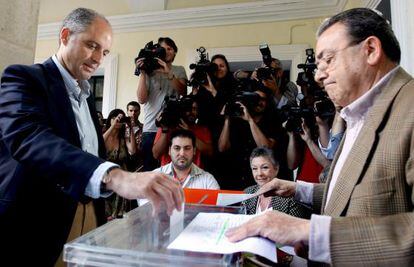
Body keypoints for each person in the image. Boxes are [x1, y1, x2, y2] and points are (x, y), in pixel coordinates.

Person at [226, 8, 414, 266]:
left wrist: (312, 233)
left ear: (370, 50)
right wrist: (300, 190)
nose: (318, 74)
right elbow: (364, 192)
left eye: (328, 60)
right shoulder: (358, 113)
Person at [0, 8, 183, 266]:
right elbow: (29, 138)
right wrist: (115, 176)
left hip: (87, 217)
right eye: (91, 46)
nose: (98, 58)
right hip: (34, 222)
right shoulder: (24, 78)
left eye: (105, 52)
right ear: (65, 36)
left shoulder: (85, 97)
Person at [136, 37, 187, 171]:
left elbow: (183, 91)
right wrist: (142, 73)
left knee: (171, 170)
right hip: (151, 128)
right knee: (150, 172)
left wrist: (168, 73)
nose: (166, 51)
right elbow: (141, 99)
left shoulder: (179, 70)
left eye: (170, 49)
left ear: (175, 53)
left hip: (171, 128)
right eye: (163, 48)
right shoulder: (149, 70)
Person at [139, 129, 219, 206]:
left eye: (187, 148)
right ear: (169, 151)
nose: (182, 153)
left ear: (194, 151)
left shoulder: (208, 181)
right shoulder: (154, 178)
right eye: (177, 148)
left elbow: (216, 214)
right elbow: (146, 210)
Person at [244, 147, 310, 218]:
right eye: (254, 168)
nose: (259, 173)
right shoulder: (247, 193)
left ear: (276, 169)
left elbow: (294, 228)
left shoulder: (290, 199)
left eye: (265, 167)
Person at [152, 96, 213, 168]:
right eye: (188, 108)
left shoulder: (203, 130)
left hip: (195, 175)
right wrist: (165, 130)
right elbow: (156, 155)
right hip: (169, 176)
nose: (191, 112)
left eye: (195, 109)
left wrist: (189, 132)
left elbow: (209, 151)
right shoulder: (167, 126)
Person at [103, 109, 137, 220]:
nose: (117, 120)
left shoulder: (123, 138)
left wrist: (131, 127)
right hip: (106, 177)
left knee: (119, 215)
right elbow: (99, 144)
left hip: (120, 178)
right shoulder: (104, 133)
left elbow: (132, 150)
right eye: (114, 117)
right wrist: (112, 127)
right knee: (105, 212)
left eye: (119, 119)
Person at [126, 101, 144, 171]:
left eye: (136, 111)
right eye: (131, 111)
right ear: (127, 112)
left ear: (139, 112)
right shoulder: (122, 127)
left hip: (139, 164)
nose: (133, 113)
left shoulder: (144, 128)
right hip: (124, 163)